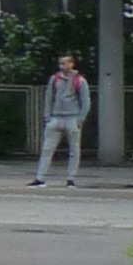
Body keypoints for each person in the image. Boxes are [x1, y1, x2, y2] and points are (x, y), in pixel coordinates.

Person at [33, 53, 93, 188]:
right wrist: (48, 116)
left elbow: (85, 101)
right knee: (47, 148)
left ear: (72, 64)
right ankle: (40, 178)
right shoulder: (55, 79)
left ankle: (71, 179)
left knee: (74, 150)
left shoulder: (80, 80)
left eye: (65, 63)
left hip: (72, 117)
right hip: (56, 117)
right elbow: (49, 97)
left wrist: (80, 118)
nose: (62, 66)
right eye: (61, 63)